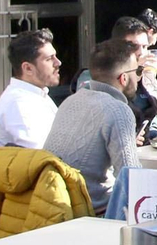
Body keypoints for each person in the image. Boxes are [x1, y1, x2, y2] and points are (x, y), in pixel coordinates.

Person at [43, 38, 142, 216]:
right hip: (90, 210)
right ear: (124, 78)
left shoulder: (70, 100)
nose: (139, 77)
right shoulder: (118, 110)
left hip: (52, 202)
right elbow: (131, 178)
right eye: (138, 71)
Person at [0, 28, 61, 149]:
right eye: (49, 59)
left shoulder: (36, 94)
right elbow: (41, 157)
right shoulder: (19, 104)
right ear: (28, 68)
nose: (58, 63)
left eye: (55, 56)